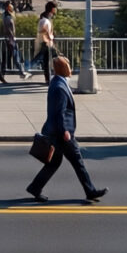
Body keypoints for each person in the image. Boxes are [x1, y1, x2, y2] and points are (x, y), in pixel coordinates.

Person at [25, 55, 107, 203]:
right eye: (68, 66)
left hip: (57, 133)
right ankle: (90, 191)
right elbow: (59, 112)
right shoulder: (59, 87)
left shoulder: (58, 82)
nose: (71, 69)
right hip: (62, 134)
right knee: (78, 162)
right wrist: (65, 132)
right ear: (63, 69)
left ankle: (35, 187)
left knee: (54, 163)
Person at [0, 1, 31, 83]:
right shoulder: (7, 17)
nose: (12, 6)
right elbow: (9, 30)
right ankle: (22, 73)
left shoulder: (7, 15)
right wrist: (12, 39)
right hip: (10, 40)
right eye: (10, 5)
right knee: (16, 56)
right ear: (8, 7)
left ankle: (1, 74)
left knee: (7, 58)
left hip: (8, 39)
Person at [33, 1, 57, 82]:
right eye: (55, 8)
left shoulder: (47, 18)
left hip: (47, 43)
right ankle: (50, 78)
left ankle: (48, 78)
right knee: (53, 59)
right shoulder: (45, 19)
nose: (56, 10)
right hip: (46, 43)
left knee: (46, 60)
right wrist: (49, 35)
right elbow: (42, 30)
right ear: (52, 9)